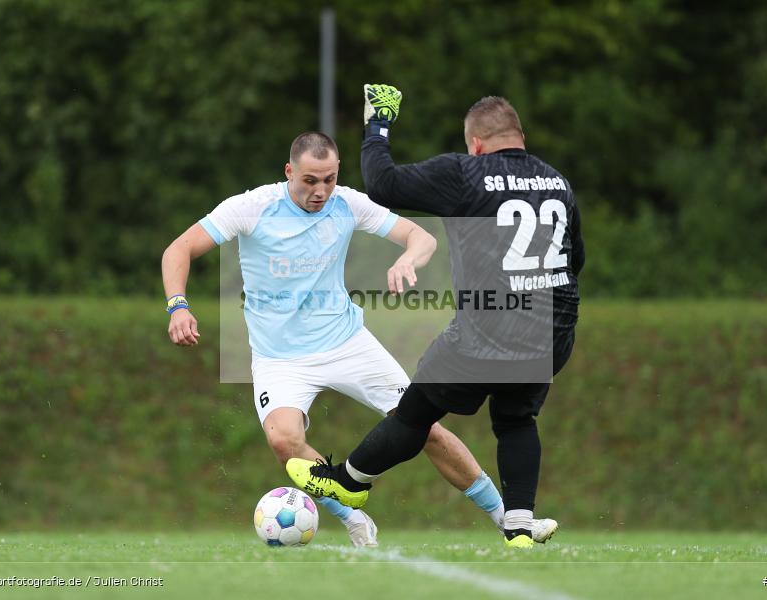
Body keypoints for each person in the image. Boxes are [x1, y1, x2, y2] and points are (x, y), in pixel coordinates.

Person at [162, 131, 510, 547]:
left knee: (425, 427)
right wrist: (178, 306)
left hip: (348, 343)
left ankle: (506, 518)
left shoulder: (347, 203)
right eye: (310, 180)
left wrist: (407, 259)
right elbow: (178, 249)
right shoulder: (252, 207)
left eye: (329, 179)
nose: (321, 191)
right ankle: (354, 518)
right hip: (279, 358)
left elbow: (423, 237)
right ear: (289, 172)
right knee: (283, 440)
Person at [287, 87, 584, 548]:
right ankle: (519, 525)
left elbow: (383, 183)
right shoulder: (557, 182)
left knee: (415, 413)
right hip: (551, 330)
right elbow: (575, 258)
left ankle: (348, 481)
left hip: (487, 328)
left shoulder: (465, 172)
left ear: (477, 144)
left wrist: (378, 126)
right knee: (516, 418)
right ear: (520, 137)